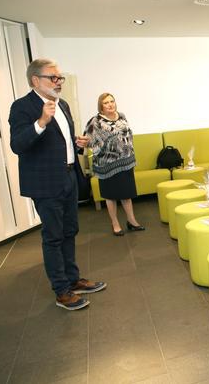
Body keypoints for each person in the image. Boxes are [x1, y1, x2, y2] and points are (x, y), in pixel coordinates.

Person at [8, 58, 106, 311]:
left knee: (70, 231)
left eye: (59, 77)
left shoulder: (62, 104)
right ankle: (62, 291)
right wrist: (40, 122)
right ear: (35, 80)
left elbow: (60, 141)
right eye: (53, 77)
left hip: (69, 177)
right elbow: (17, 144)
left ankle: (73, 280)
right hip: (45, 182)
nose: (58, 82)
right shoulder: (22, 107)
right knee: (53, 236)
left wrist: (77, 144)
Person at [84, 93, 145, 236]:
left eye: (112, 101)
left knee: (126, 194)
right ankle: (115, 223)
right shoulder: (95, 121)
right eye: (106, 103)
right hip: (107, 165)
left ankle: (132, 221)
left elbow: (127, 135)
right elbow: (87, 140)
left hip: (126, 162)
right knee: (110, 196)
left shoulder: (122, 116)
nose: (110, 104)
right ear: (101, 106)